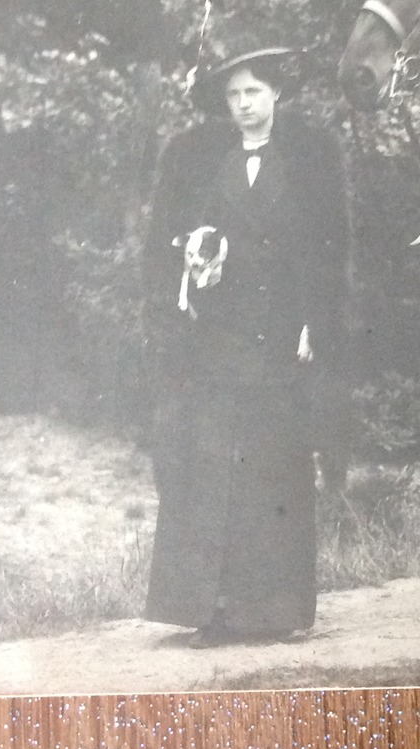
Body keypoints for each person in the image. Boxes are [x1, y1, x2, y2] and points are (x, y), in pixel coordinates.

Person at [140, 40, 349, 648]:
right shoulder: (207, 163)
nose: (244, 106)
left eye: (254, 92)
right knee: (215, 471)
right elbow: (177, 240)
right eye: (233, 95)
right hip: (220, 338)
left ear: (277, 92)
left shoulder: (310, 161)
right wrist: (196, 252)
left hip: (283, 336)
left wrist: (318, 319)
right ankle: (217, 610)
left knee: (277, 467)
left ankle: (278, 611)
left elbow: (330, 249)